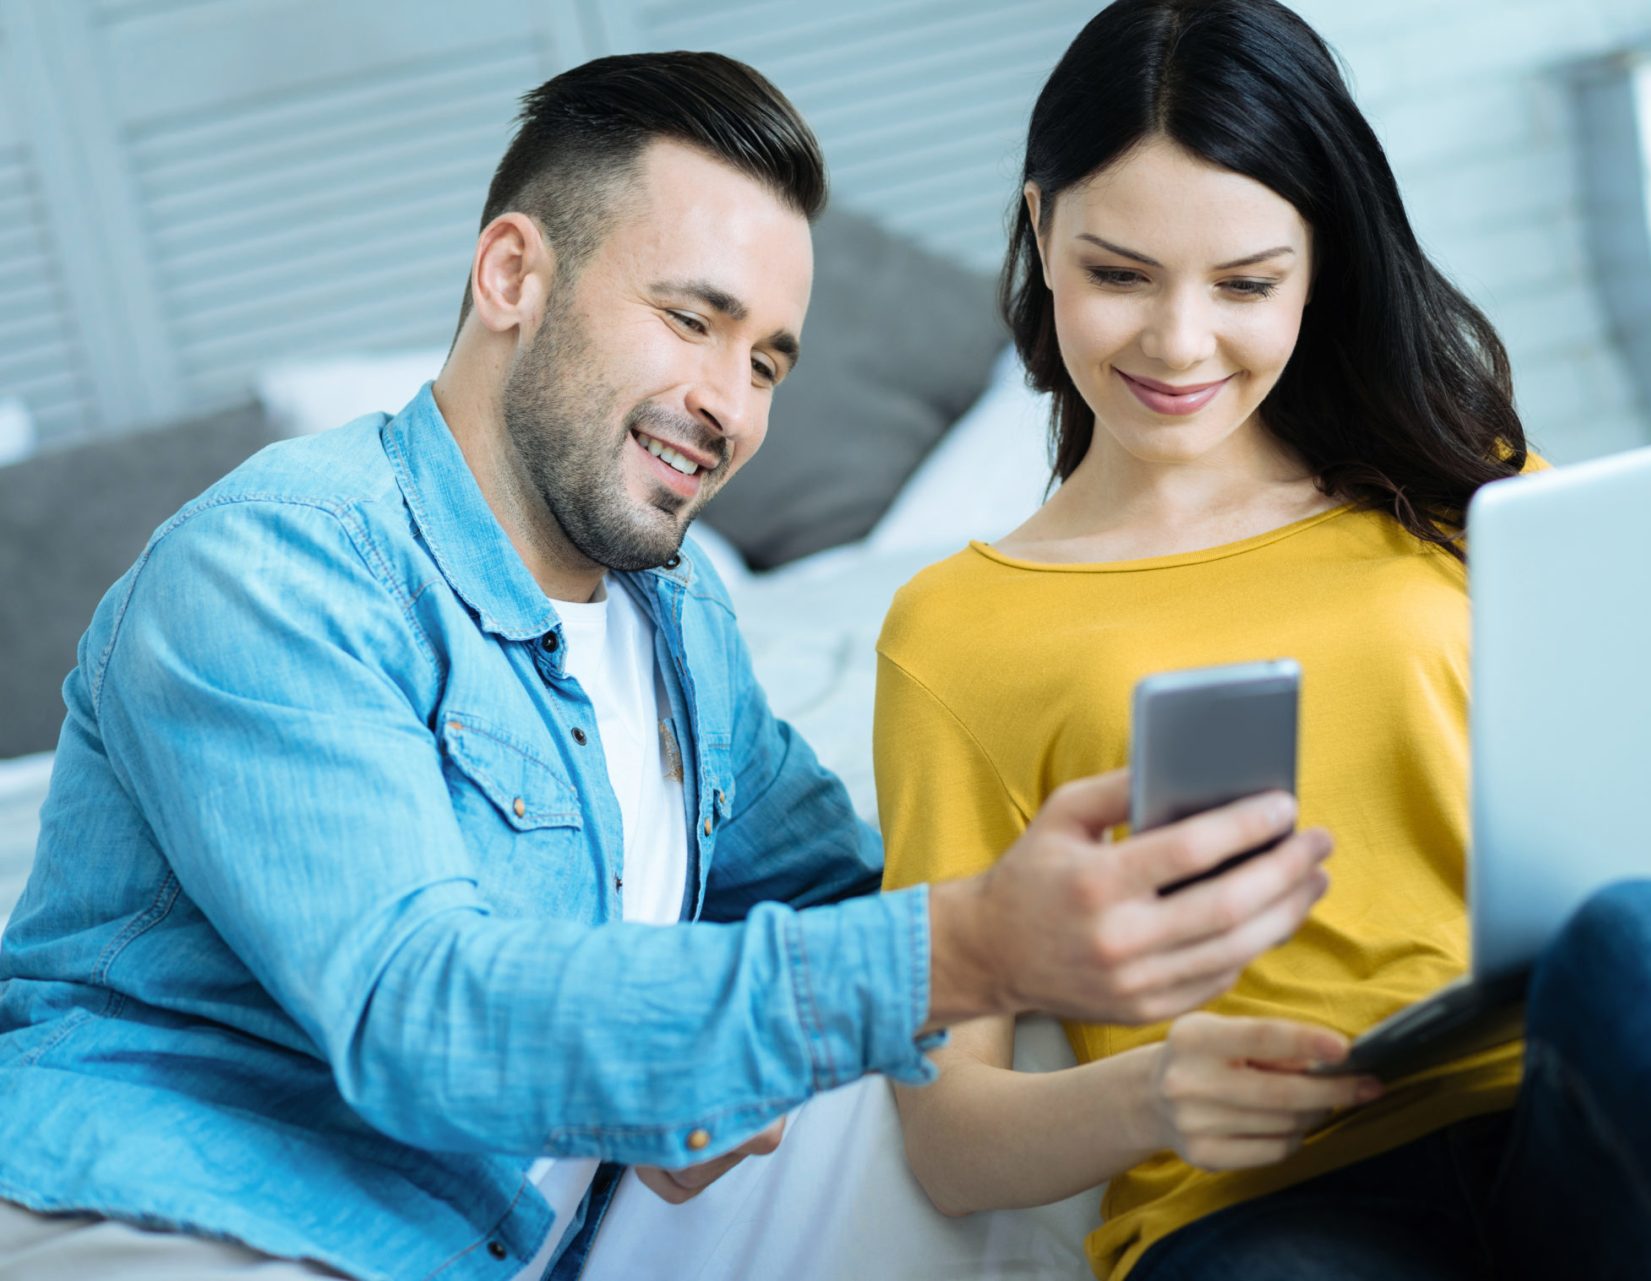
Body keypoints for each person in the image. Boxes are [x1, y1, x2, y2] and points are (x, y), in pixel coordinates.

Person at [0, 51, 1331, 1281]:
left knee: (966, 1047)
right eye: (693, 320)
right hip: (175, 1215)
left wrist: (1065, 858)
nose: (731, 405)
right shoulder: (279, 568)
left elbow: (832, 890)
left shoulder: (673, 618)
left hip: (500, 1237)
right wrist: (963, 944)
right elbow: (420, 1007)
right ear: (512, 276)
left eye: (766, 361)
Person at [876, 3, 1651, 1280]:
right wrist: (1153, 1096)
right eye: (1119, 274)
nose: (1180, 342)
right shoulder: (958, 630)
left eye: (1248, 283)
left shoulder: (1472, 496)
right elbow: (950, 1136)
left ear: (1323, 264)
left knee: (1640, 935)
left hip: (1560, 1113)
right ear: (1041, 233)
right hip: (1261, 1207)